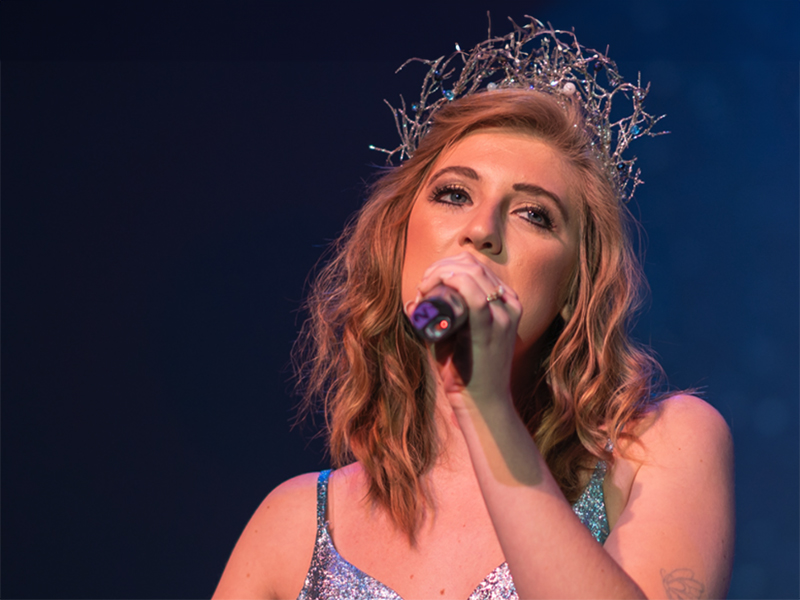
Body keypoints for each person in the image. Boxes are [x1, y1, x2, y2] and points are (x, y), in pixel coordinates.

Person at [213, 18, 734, 600]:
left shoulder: (664, 447)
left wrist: (484, 406)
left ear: (573, 286)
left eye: (534, 214)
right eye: (454, 194)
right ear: (398, 242)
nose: (481, 231)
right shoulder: (295, 526)